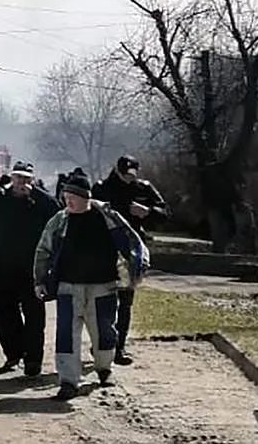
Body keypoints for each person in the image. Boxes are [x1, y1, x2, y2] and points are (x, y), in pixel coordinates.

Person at [34, 171, 149, 401]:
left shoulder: (108, 218)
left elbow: (132, 242)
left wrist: (137, 268)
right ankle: (68, 381)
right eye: (65, 197)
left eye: (71, 197)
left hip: (103, 286)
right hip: (68, 286)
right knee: (66, 335)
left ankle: (104, 369)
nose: (67, 201)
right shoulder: (59, 221)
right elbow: (43, 251)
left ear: (85, 197)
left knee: (104, 332)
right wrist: (39, 280)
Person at [0, 160, 61, 376]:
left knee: (34, 317)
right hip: (1, 268)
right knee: (3, 315)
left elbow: (59, 220)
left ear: (32, 179)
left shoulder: (42, 202)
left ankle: (33, 361)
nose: (22, 182)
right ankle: (13, 353)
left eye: (26, 178)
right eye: (18, 177)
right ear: (11, 178)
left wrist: (36, 194)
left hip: (32, 270)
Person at [91, 155, 169, 366]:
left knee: (125, 303)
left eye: (132, 175)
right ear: (116, 170)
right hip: (104, 251)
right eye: (125, 175)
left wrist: (148, 212)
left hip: (130, 253)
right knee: (103, 300)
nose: (129, 179)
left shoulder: (143, 188)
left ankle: (118, 346)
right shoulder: (101, 189)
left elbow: (165, 213)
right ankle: (101, 341)